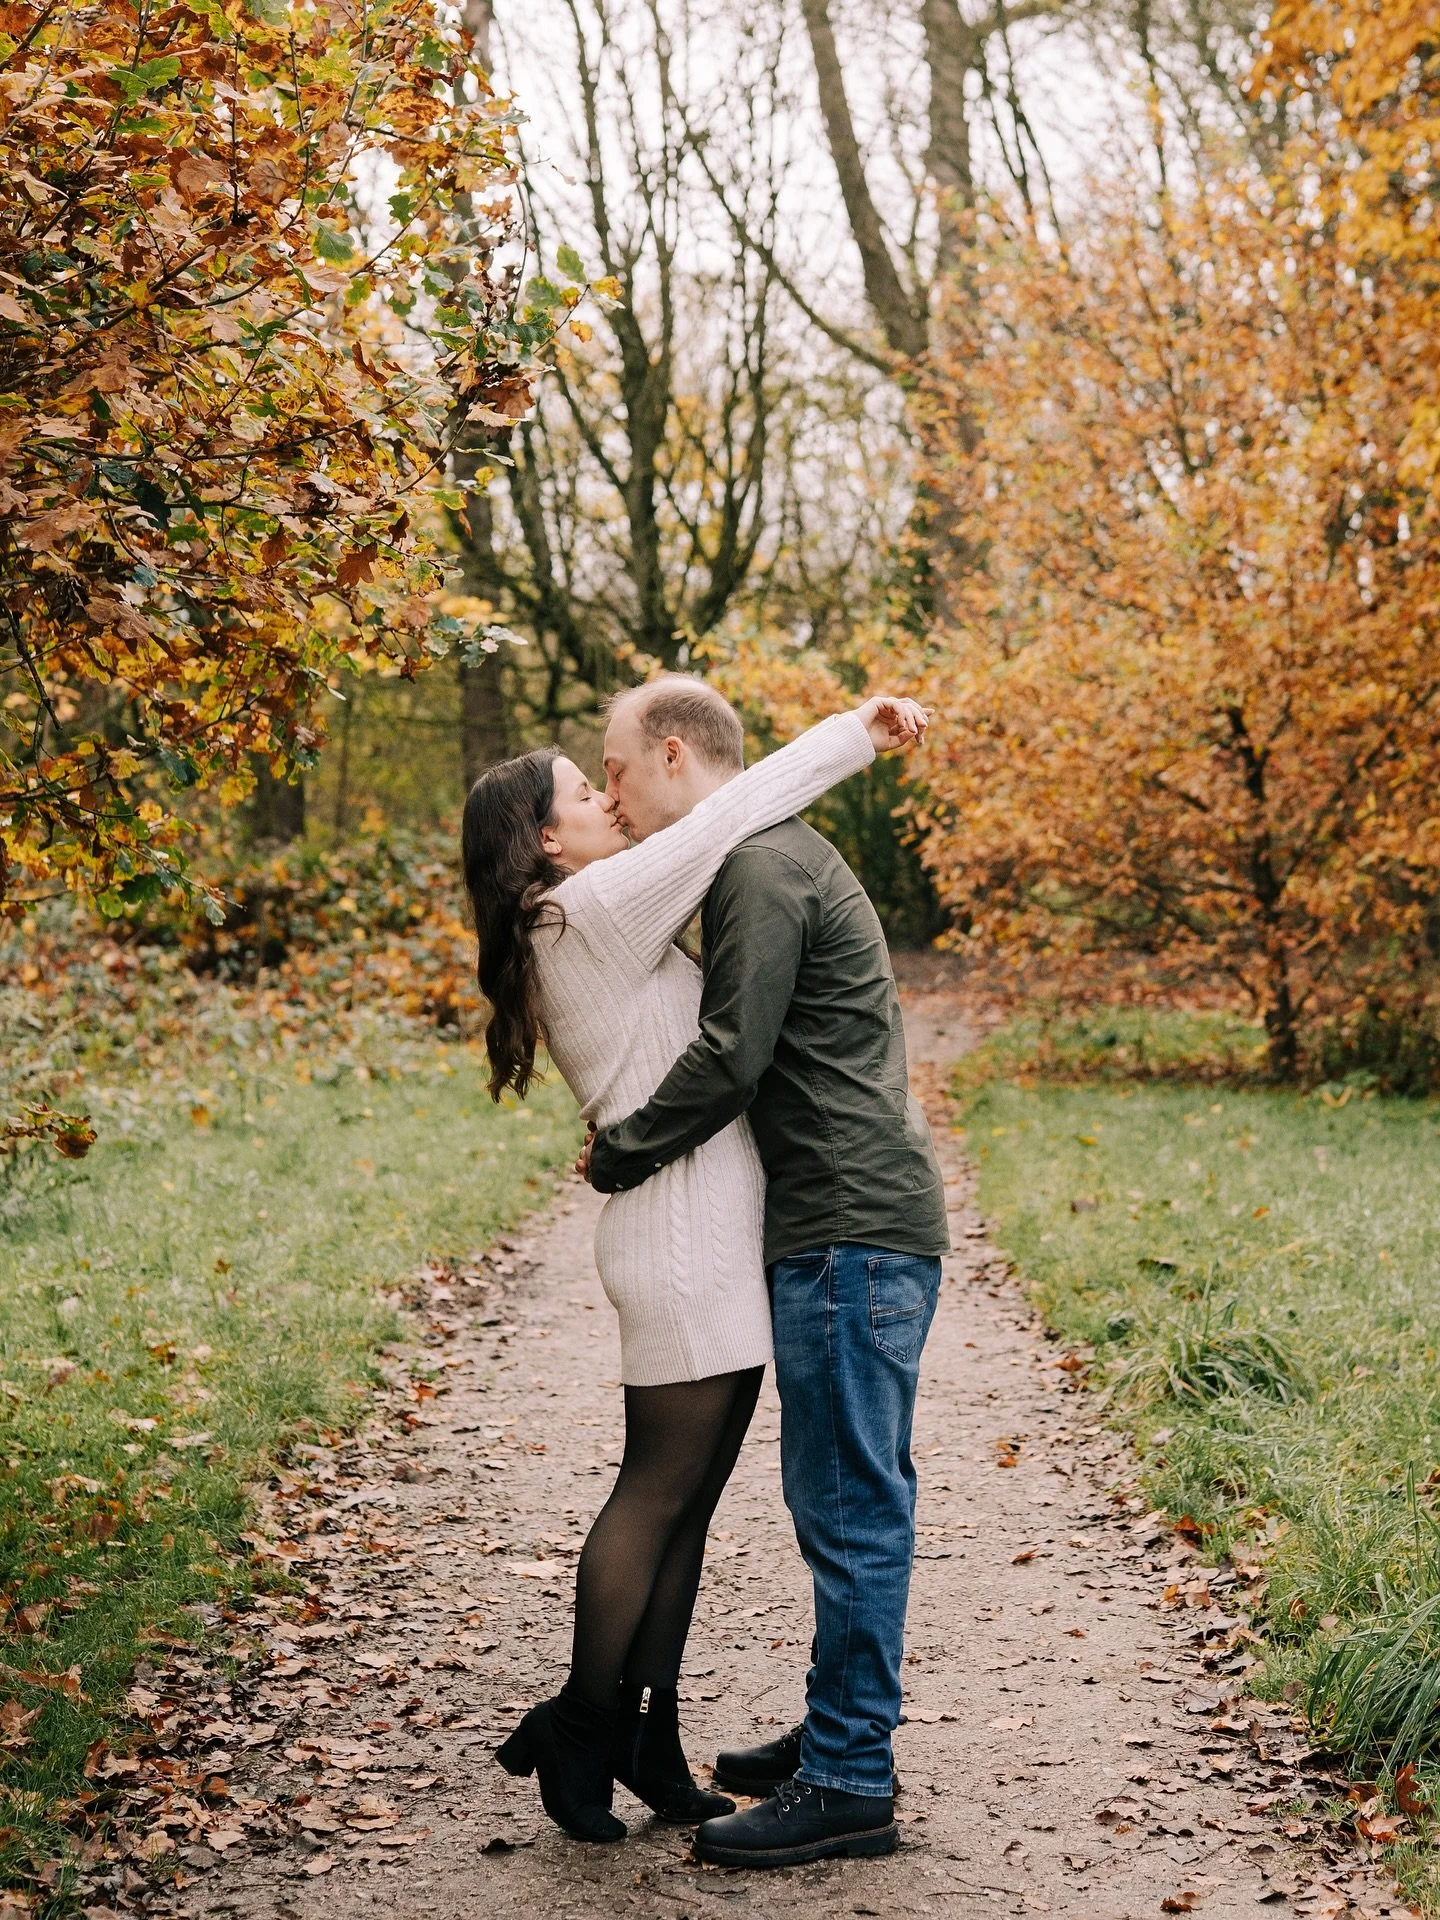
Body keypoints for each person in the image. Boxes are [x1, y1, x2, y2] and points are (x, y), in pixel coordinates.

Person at [460, 686, 927, 1847]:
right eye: (584, 789)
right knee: (658, 1493)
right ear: (545, 844)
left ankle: (647, 1733)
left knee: (688, 1504)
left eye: (607, 772)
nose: (606, 796)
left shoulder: (583, 914)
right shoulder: (588, 907)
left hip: (700, 1232)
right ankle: (582, 1723)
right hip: (675, 1238)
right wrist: (851, 737)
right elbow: (737, 807)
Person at [583, 678, 951, 1869]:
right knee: (838, 1498)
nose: (613, 797)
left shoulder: (754, 869)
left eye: (619, 773)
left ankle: (851, 1780)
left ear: (675, 755)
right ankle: (839, 1732)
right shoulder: (760, 855)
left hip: (850, 1225)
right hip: (845, 1220)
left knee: (849, 1509)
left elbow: (732, 1054)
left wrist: (623, 1147)